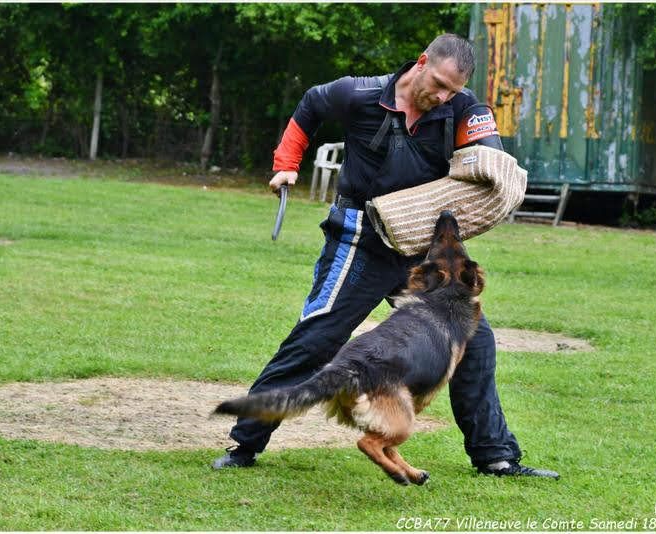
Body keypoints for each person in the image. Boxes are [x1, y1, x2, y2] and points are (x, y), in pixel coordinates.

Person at [212, 34, 559, 479]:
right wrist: (286, 161)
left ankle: (496, 455)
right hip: (359, 240)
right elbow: (310, 105)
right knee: (317, 339)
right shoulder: (359, 94)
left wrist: (493, 167)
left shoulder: (462, 108)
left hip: (420, 251)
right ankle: (245, 444)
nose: (442, 97)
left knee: (476, 341)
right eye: (438, 85)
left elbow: (490, 156)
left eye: (452, 91)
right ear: (421, 64)